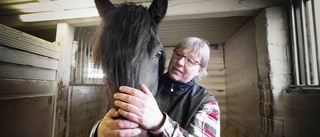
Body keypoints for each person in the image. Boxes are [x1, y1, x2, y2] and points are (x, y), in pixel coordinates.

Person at [90, 37, 220, 137]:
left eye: (190, 61)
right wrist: (98, 131)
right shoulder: (144, 83)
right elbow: (114, 118)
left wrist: (160, 123)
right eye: (178, 54)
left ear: (200, 70)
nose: (180, 62)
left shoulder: (206, 102)